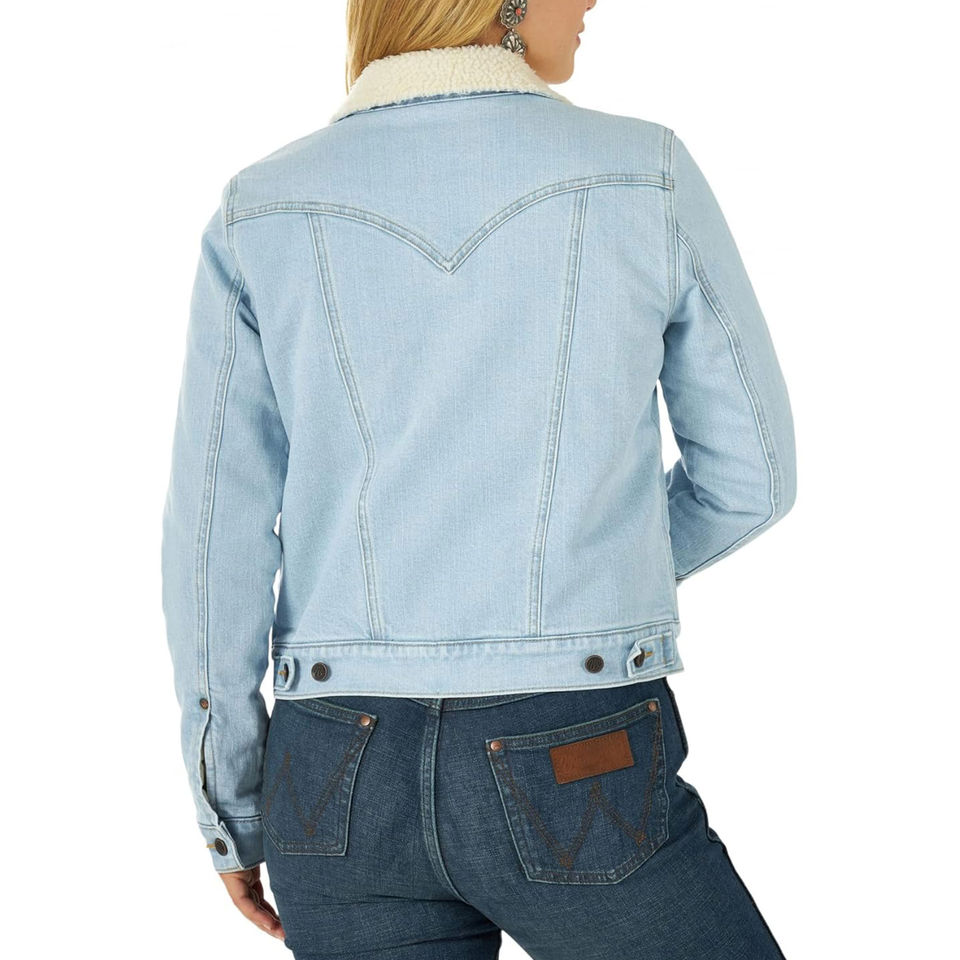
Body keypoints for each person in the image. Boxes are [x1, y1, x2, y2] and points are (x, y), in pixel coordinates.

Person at [160, 1, 797, 956]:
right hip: (573, 744)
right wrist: (582, 573)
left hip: (330, 771)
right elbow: (753, 475)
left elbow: (212, 542)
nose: (593, 1)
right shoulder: (643, 173)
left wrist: (232, 806)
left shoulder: (262, 207)